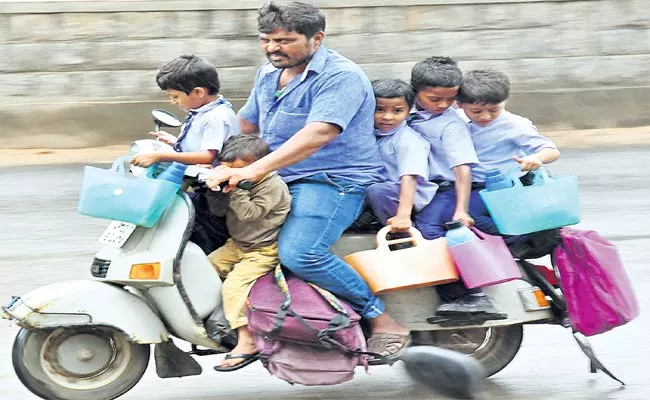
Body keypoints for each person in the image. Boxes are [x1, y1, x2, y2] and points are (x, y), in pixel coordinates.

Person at [206, 1, 410, 362]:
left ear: (317, 38)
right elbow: (247, 124)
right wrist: (197, 155)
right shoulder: (268, 73)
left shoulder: (340, 76)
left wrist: (252, 171)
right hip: (279, 175)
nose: (272, 48)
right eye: (266, 39)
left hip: (332, 180)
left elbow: (319, 133)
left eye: (284, 40)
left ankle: (382, 319)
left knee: (300, 252)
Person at [407, 56, 500, 316]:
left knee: (428, 229)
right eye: (435, 99)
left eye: (450, 99)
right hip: (417, 185)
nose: (444, 105)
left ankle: (470, 294)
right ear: (416, 92)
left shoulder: (451, 124)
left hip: (446, 188)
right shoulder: (403, 112)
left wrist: (461, 210)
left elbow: (462, 169)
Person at [131, 55, 240, 254]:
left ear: (198, 92)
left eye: (175, 96)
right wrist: (174, 142)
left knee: (198, 232)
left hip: (215, 192)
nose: (172, 101)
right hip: (200, 183)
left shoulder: (216, 116)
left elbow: (208, 156)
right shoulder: (203, 111)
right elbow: (202, 146)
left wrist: (161, 157)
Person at [206, 134, 291, 372]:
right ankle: (218, 319)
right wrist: (213, 189)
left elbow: (249, 214)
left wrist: (235, 186)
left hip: (263, 249)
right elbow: (220, 212)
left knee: (233, 286)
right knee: (203, 269)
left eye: (241, 170)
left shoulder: (273, 186)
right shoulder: (241, 182)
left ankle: (248, 339)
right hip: (238, 244)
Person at [457, 69, 560, 258]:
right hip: (475, 185)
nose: (485, 117)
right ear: (460, 104)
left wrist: (536, 159)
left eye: (494, 110)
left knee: (474, 215)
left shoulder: (515, 125)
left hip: (508, 187)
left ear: (504, 101)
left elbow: (551, 151)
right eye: (476, 111)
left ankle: (520, 240)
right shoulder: (457, 120)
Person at [364, 79, 438, 234]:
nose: (387, 117)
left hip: (410, 196)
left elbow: (409, 177)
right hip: (386, 188)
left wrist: (403, 215)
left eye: (397, 111)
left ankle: (401, 234)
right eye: (379, 110)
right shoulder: (371, 133)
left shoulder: (408, 140)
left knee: (377, 191)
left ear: (409, 110)